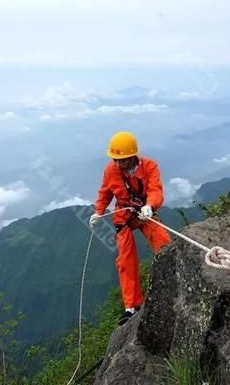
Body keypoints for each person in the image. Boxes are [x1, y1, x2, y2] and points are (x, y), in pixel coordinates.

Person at [90, 131, 171, 325]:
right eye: (115, 160)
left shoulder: (150, 166)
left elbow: (155, 190)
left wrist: (150, 206)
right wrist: (99, 211)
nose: (117, 164)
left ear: (132, 156)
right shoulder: (111, 170)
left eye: (122, 160)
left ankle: (174, 280)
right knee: (125, 260)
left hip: (144, 212)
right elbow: (106, 192)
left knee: (164, 244)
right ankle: (131, 306)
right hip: (124, 214)